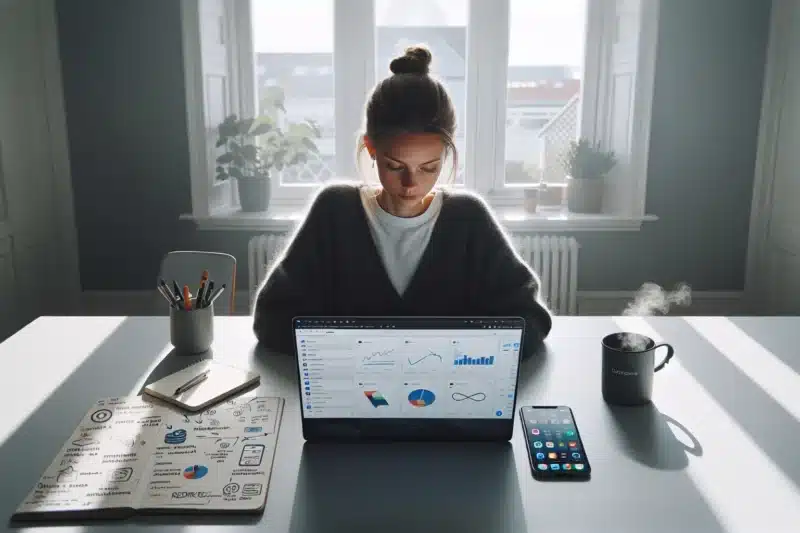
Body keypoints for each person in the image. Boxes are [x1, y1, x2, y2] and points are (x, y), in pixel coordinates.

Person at [253, 45, 552, 358]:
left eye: (429, 168)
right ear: (371, 149)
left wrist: (449, 354)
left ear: (446, 153)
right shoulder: (335, 211)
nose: (411, 184)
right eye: (395, 166)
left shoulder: (468, 218)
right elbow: (272, 318)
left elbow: (529, 319)